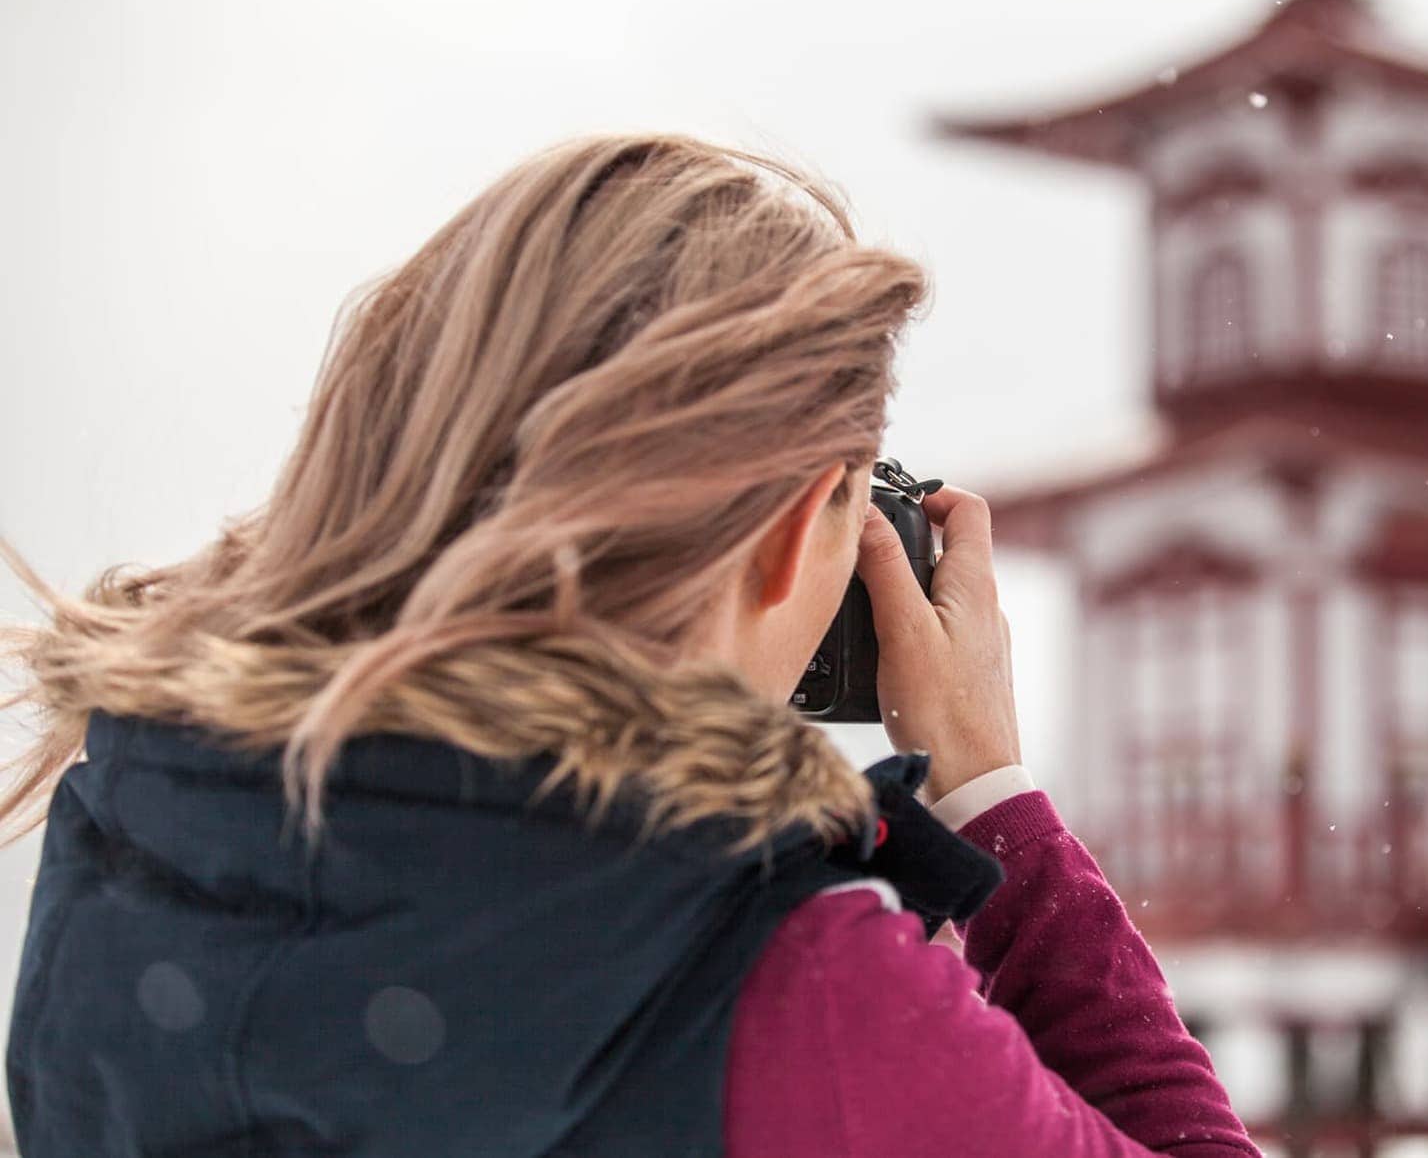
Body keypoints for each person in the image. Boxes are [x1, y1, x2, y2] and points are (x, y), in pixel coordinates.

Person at [0, 135, 1258, 1156]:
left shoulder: (133, 815)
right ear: (786, 535)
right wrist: (992, 796)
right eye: (848, 502)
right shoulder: (786, 988)